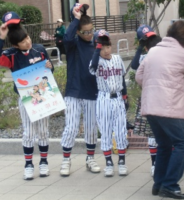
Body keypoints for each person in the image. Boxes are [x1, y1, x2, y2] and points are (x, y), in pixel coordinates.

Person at [136, 20, 184, 199]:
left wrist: (154, 86)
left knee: (164, 145)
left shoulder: (153, 51)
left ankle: (159, 184)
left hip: (150, 108)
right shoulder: (183, 54)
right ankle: (170, 185)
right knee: (183, 142)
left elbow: (139, 76)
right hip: (169, 108)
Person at [0, 11, 54, 180]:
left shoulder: (39, 49)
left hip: (43, 96)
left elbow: (49, 71)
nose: (28, 42)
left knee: (43, 132)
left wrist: (50, 67)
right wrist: (1, 38)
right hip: (25, 99)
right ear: (16, 45)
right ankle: (28, 164)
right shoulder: (11, 56)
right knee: (28, 133)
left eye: (28, 38)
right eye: (23, 42)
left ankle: (44, 162)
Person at [60, 3, 100, 176]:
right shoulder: (73, 45)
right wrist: (75, 20)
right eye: (84, 31)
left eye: (91, 30)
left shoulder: (96, 45)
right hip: (74, 92)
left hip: (92, 92)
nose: (88, 34)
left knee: (91, 127)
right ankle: (66, 160)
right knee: (71, 127)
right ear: (77, 31)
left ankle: (90, 158)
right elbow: (66, 39)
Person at [89, 29, 129, 177]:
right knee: (105, 131)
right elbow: (92, 68)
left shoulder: (117, 59)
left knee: (120, 130)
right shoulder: (96, 61)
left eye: (107, 46)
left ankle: (122, 162)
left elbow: (122, 79)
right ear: (96, 47)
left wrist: (125, 97)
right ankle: (108, 163)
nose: (106, 50)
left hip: (117, 97)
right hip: (103, 98)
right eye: (101, 46)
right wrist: (97, 49)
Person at [131, 24, 162, 177]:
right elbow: (134, 65)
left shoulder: (164, 53)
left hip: (163, 98)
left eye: (151, 38)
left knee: (165, 133)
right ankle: (154, 164)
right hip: (149, 98)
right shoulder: (144, 56)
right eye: (146, 39)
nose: (150, 41)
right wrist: (140, 47)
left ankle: (164, 163)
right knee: (151, 134)